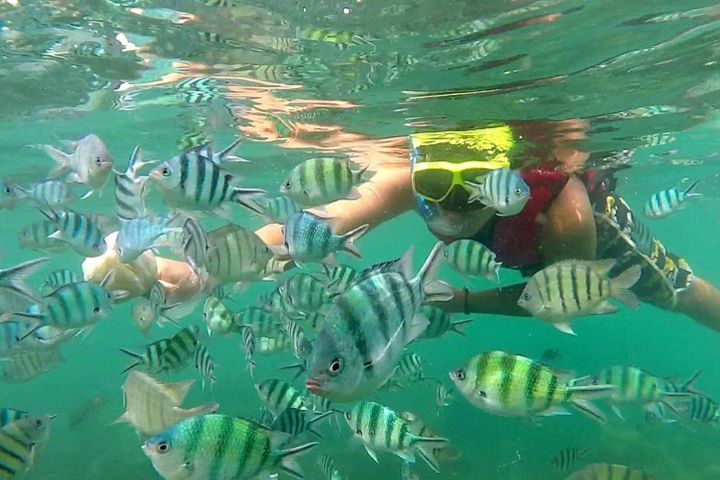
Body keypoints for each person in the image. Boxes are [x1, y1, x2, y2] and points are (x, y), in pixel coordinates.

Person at [85, 122, 720, 332]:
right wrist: (194, 272)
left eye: (461, 207)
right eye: (427, 201)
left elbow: (556, 299)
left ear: (501, 189)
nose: (442, 222)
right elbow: (313, 224)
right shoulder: (406, 181)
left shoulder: (570, 214)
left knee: (689, 297)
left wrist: (468, 299)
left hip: (597, 247)